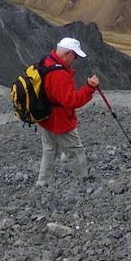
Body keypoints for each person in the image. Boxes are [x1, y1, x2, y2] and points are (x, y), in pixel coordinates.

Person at [35, 37, 99, 187]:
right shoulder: (59, 74)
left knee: (49, 150)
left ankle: (43, 183)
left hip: (45, 117)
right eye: (74, 56)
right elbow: (71, 101)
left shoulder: (46, 61)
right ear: (66, 54)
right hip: (60, 120)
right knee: (75, 150)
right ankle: (83, 181)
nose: (75, 59)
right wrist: (89, 88)